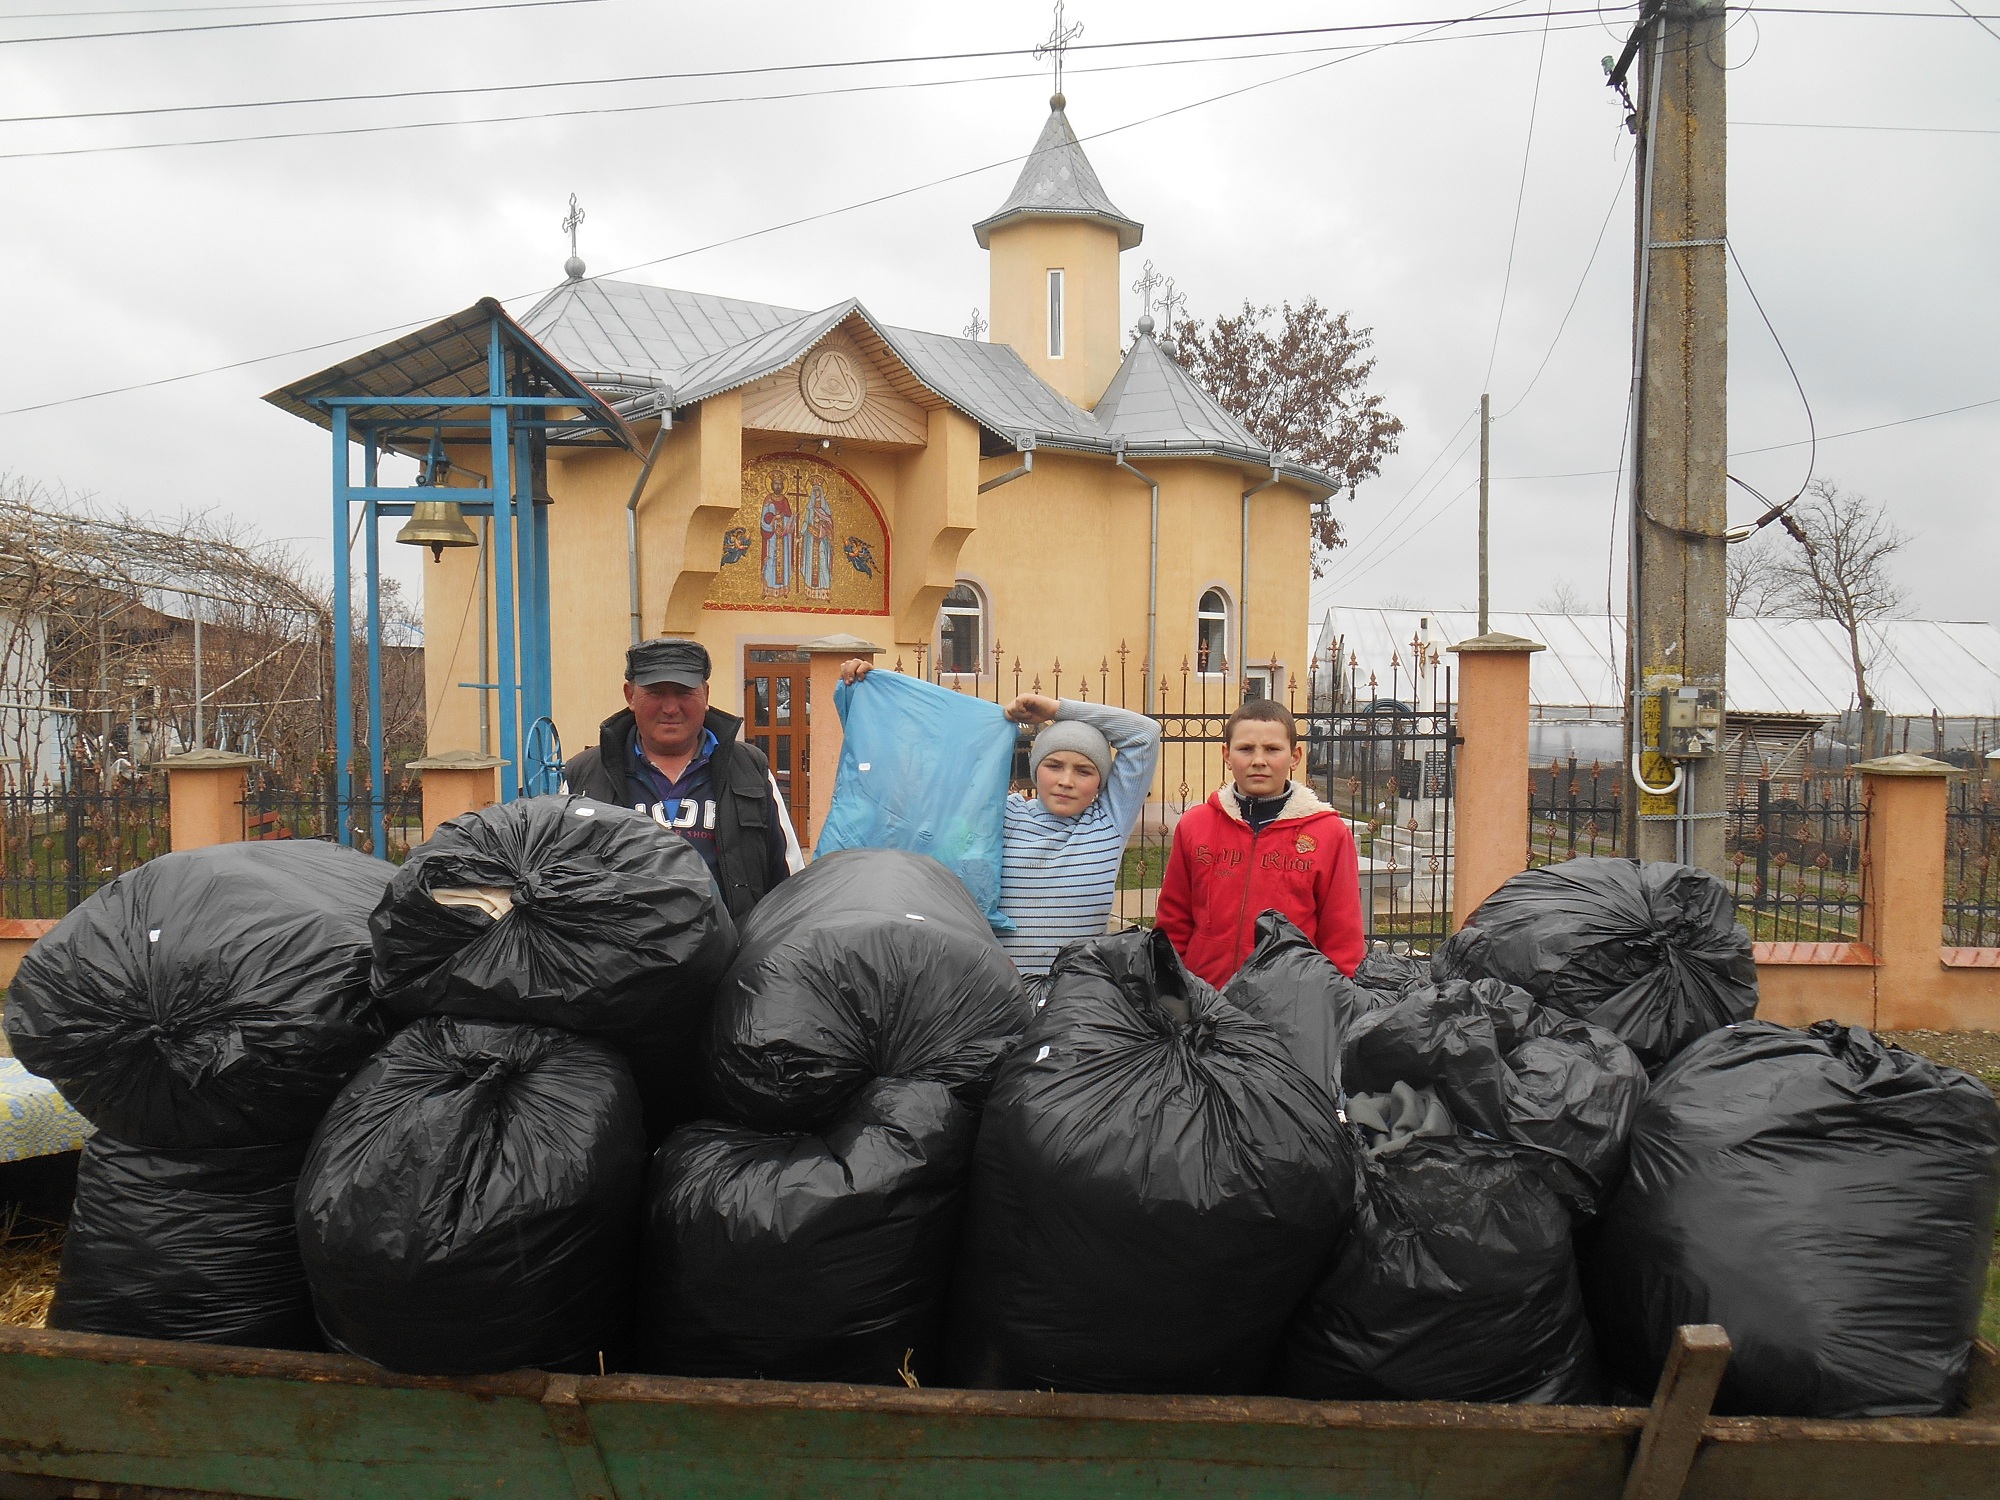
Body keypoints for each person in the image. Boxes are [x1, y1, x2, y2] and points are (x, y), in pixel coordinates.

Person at [839, 659, 1160, 988]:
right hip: (993, 1000)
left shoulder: (1107, 824)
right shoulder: (999, 815)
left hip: (1075, 1007)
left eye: (1084, 771)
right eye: (1054, 765)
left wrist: (1056, 709)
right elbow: (917, 779)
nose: (1066, 780)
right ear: (1036, 769)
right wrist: (872, 693)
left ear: (1101, 782)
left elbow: (1144, 735)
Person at [562, 637, 801, 920]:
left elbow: (790, 883)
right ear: (630, 696)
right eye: (656, 693)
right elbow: (557, 878)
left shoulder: (750, 769)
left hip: (730, 959)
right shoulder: (584, 775)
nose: (671, 708)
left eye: (684, 692)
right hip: (621, 959)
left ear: (706, 695)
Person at [1155, 698, 1364, 987]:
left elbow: (1342, 934)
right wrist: (1168, 984)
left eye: (1272, 749)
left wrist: (1337, 1003)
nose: (1258, 761)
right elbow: (1173, 920)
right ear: (1227, 754)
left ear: (1295, 756)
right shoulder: (1195, 825)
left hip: (1290, 1001)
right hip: (1205, 995)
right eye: (1245, 749)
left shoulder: (1329, 834)